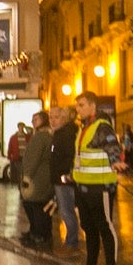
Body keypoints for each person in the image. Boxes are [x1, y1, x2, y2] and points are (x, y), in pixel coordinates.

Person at [70, 91, 126, 265]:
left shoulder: (101, 126)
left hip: (100, 186)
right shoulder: (84, 127)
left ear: (93, 106)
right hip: (83, 186)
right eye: (77, 106)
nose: (78, 109)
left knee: (105, 226)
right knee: (89, 228)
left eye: (82, 105)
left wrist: (115, 161)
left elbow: (112, 147)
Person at [47, 106, 80, 254]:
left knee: (67, 211)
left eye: (56, 117)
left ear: (63, 118)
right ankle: (71, 242)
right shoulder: (59, 133)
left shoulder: (65, 134)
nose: (52, 120)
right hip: (60, 178)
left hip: (64, 180)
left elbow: (68, 156)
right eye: (50, 117)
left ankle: (72, 243)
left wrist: (63, 175)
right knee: (66, 211)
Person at [18, 109, 53, 247]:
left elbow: (32, 159)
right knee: (39, 206)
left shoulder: (40, 137)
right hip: (43, 177)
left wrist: (26, 177)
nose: (33, 121)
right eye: (32, 119)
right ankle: (39, 233)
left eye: (36, 119)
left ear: (43, 121)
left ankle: (38, 234)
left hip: (36, 178)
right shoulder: (47, 135)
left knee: (35, 206)